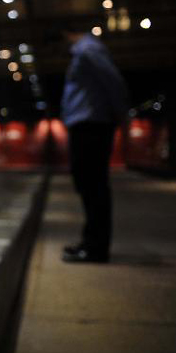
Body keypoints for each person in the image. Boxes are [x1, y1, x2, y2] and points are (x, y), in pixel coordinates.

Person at [60, 27, 128, 263]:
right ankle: (91, 243)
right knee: (89, 186)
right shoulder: (85, 51)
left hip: (92, 125)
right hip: (88, 125)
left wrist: (120, 115)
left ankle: (96, 247)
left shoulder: (88, 50)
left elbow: (113, 82)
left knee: (93, 186)